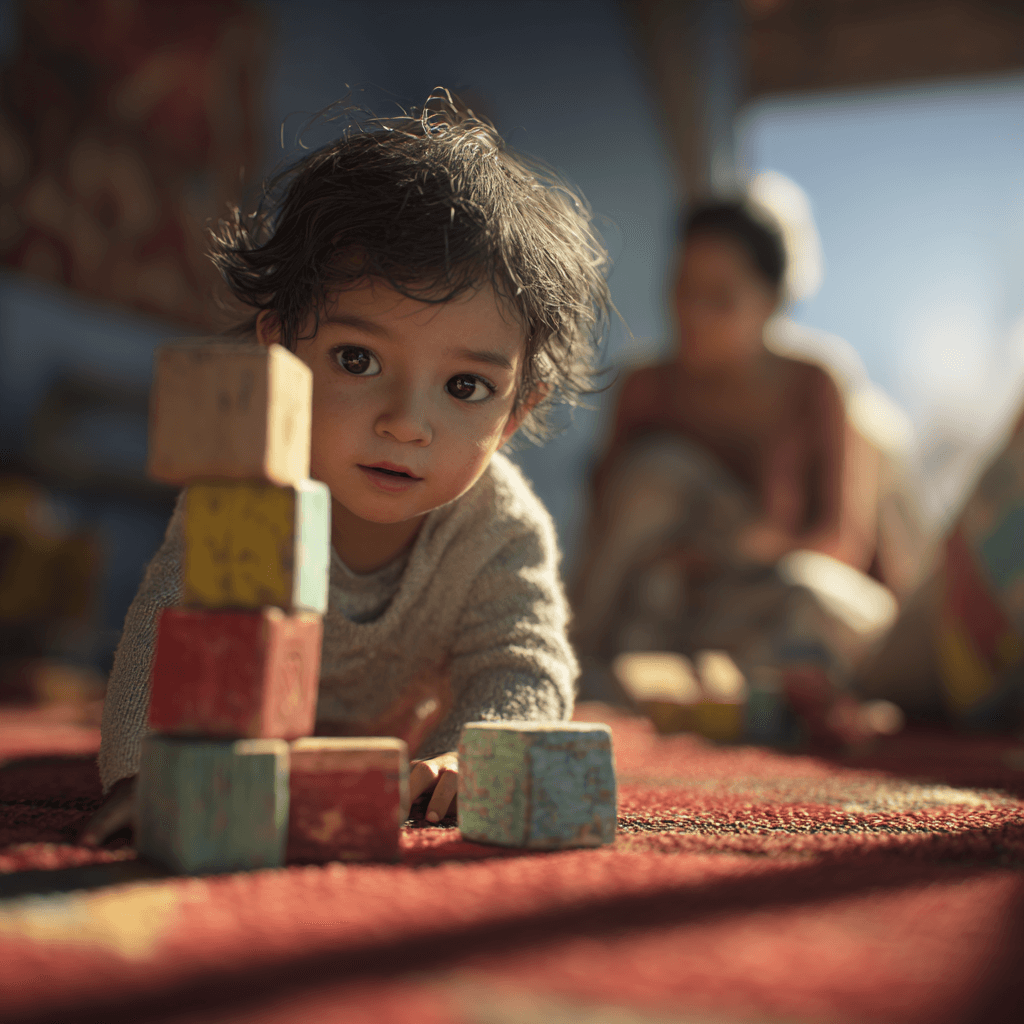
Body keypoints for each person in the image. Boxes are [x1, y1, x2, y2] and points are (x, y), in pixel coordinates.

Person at [82, 92, 612, 845]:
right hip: (245, 749)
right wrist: (145, 775)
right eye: (357, 360)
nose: (406, 422)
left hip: (387, 760)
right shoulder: (245, 498)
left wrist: (471, 752)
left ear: (517, 412)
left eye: (466, 387)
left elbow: (522, 665)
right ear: (279, 355)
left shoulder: (501, 527)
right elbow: (167, 639)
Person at [572, 199, 907, 739]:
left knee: (815, 597)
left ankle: (737, 698)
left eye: (721, 299)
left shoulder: (817, 382)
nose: (693, 315)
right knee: (656, 479)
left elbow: (842, 541)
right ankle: (579, 670)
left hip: (768, 603)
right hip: (677, 609)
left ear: (771, 303)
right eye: (683, 291)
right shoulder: (645, 389)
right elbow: (606, 546)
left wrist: (731, 553)